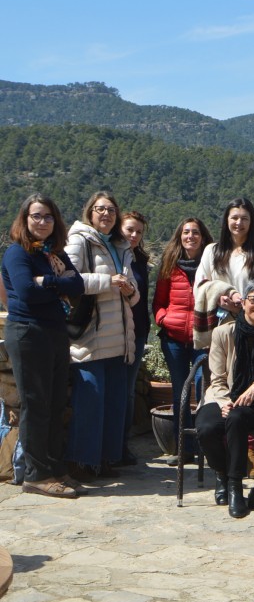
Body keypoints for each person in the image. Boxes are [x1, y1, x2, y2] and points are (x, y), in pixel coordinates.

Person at [2, 194, 85, 498]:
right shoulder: (17, 254)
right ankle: (36, 475)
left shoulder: (54, 253)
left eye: (48, 216)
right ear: (24, 220)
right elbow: (25, 291)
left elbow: (77, 285)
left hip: (53, 331)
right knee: (36, 405)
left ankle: (54, 468)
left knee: (54, 404)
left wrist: (46, 281)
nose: (42, 222)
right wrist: (55, 282)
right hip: (27, 333)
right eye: (36, 216)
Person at [196, 280, 254, 518]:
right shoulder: (222, 333)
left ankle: (235, 487)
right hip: (222, 396)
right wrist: (224, 401)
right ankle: (222, 473)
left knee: (236, 419)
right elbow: (217, 377)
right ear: (244, 302)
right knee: (206, 427)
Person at [64, 191, 140, 479]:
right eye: (100, 209)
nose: (106, 214)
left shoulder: (121, 246)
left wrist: (130, 290)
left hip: (120, 340)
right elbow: (69, 280)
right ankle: (82, 461)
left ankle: (106, 459)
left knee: (113, 404)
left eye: (111, 209)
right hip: (91, 339)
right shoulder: (80, 240)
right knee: (90, 403)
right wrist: (108, 282)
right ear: (90, 213)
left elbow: (132, 291)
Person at [153, 217, 214, 464]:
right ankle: (184, 449)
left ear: (203, 236)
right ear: (179, 236)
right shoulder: (169, 265)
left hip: (203, 339)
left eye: (195, 232)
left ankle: (206, 445)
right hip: (174, 339)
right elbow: (158, 301)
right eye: (186, 232)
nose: (190, 236)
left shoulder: (211, 265)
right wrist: (163, 319)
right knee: (180, 392)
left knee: (203, 392)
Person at [195, 198, 254, 346]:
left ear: (251, 222)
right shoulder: (212, 251)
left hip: (251, 324)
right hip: (217, 323)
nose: (239, 223)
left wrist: (241, 305)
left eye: (244, 219)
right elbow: (200, 285)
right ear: (226, 220)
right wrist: (217, 297)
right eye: (234, 218)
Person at [119, 211, 150, 465]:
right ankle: (111, 446)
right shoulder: (113, 255)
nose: (134, 235)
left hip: (138, 332)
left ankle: (122, 445)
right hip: (113, 331)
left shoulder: (140, 259)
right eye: (130, 229)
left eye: (139, 232)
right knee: (114, 390)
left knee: (127, 391)